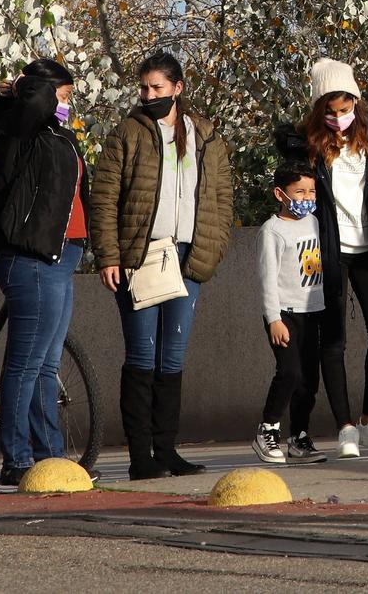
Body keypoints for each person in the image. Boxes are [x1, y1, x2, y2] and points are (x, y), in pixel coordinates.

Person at [92, 50, 237, 480]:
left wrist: (213, 248)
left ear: (178, 88)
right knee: (141, 354)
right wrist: (110, 256)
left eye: (157, 87)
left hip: (188, 257)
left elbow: (222, 197)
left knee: (172, 357)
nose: (148, 94)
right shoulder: (128, 133)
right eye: (144, 87)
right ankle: (141, 457)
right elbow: (104, 199)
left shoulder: (205, 135)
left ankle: (166, 449)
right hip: (141, 257)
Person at [277, 58, 368, 458]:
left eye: (346, 109)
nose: (340, 118)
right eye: (331, 112)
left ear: (356, 101)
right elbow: (297, 190)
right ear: (320, 109)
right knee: (332, 340)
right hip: (330, 250)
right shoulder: (307, 146)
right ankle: (346, 427)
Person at [0, 57, 86, 486]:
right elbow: (19, 108)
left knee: (45, 363)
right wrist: (28, 90)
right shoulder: (19, 128)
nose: (66, 104)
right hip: (31, 257)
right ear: (39, 95)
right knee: (25, 363)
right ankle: (17, 457)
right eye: (61, 95)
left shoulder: (54, 134)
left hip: (63, 254)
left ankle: (49, 454)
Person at [253, 162, 329, 466]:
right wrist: (274, 318)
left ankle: (299, 437)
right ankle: (267, 429)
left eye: (311, 191)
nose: (307, 197)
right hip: (285, 314)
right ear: (280, 194)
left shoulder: (313, 222)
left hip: (313, 311)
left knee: (309, 381)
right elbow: (267, 279)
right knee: (289, 373)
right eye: (299, 191)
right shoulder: (272, 231)